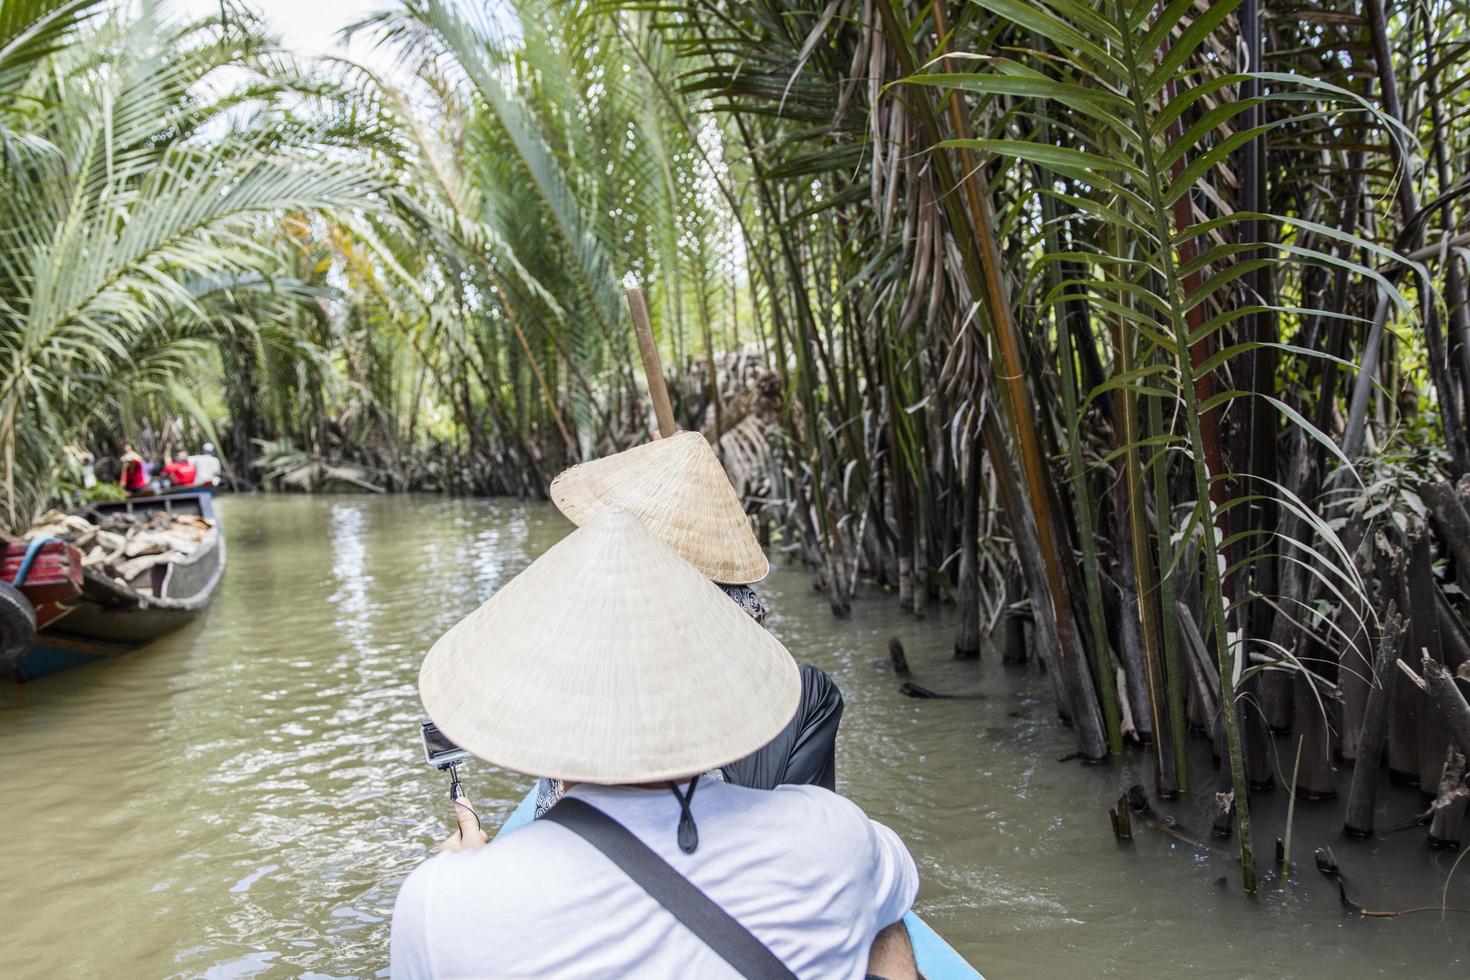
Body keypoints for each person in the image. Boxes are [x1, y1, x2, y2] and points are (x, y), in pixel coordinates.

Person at [391, 509, 919, 978]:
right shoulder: (838, 835)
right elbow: (888, 902)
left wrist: (466, 871)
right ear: (712, 686)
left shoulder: (440, 904)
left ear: (541, 709)